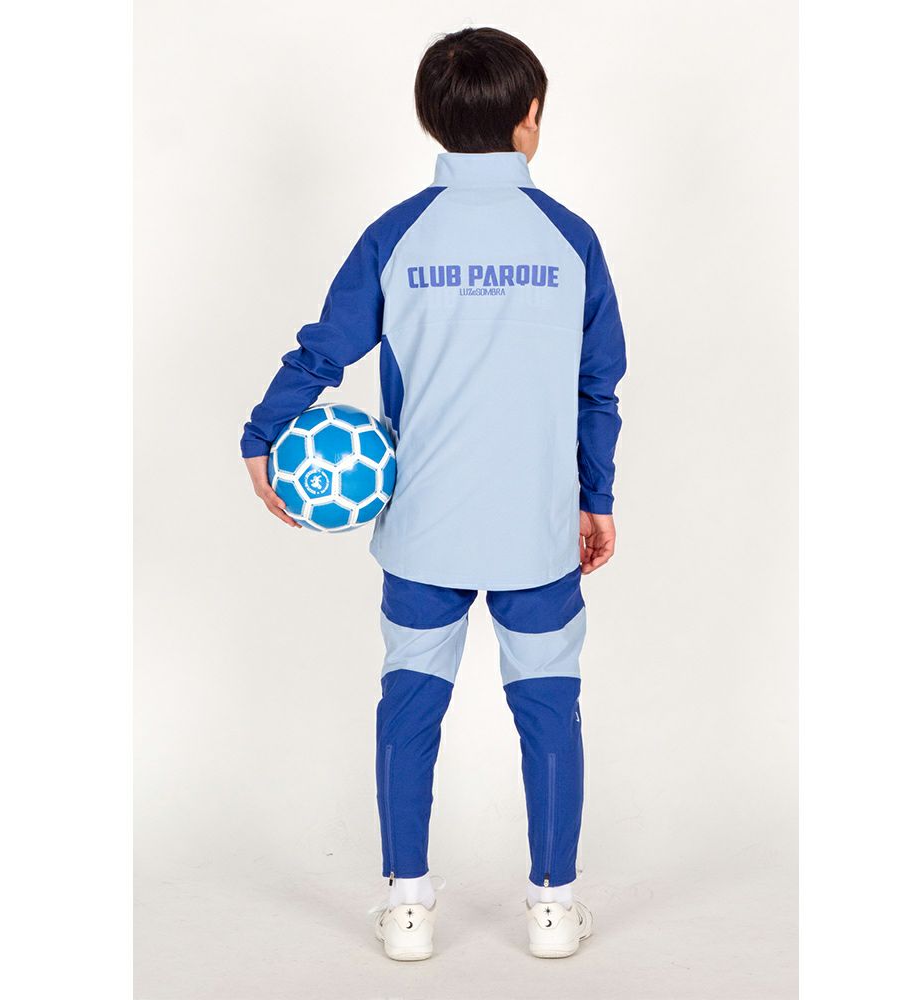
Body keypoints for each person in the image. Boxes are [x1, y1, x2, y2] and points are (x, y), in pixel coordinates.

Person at [241, 26, 626, 961]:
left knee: (410, 704)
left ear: (431, 122)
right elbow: (597, 387)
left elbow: (324, 351)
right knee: (548, 709)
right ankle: (553, 908)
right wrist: (596, 497)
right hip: (537, 528)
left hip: (423, 528)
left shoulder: (396, 235)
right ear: (531, 118)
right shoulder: (571, 239)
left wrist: (262, 434)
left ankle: (408, 909)